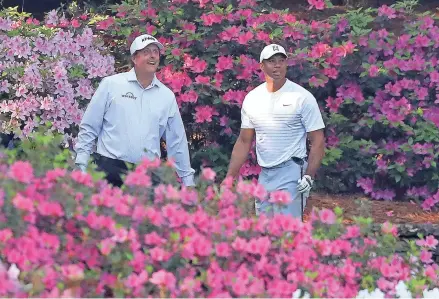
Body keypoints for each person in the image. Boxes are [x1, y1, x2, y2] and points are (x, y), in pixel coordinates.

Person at [74, 34, 195, 187]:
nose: (152, 56)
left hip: (147, 176)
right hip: (109, 170)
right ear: (134, 58)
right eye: (146, 52)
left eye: (155, 52)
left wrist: (187, 182)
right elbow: (90, 127)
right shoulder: (111, 85)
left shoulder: (166, 96)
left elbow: (177, 142)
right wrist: (81, 165)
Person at [225, 43, 325, 219]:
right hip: (265, 174)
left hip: (292, 172)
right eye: (272, 61)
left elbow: (317, 140)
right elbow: (244, 141)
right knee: (265, 231)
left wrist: (309, 176)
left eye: (281, 60)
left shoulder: (302, 97)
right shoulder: (252, 98)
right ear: (262, 66)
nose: (277, 65)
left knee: (287, 233)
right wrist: (229, 178)